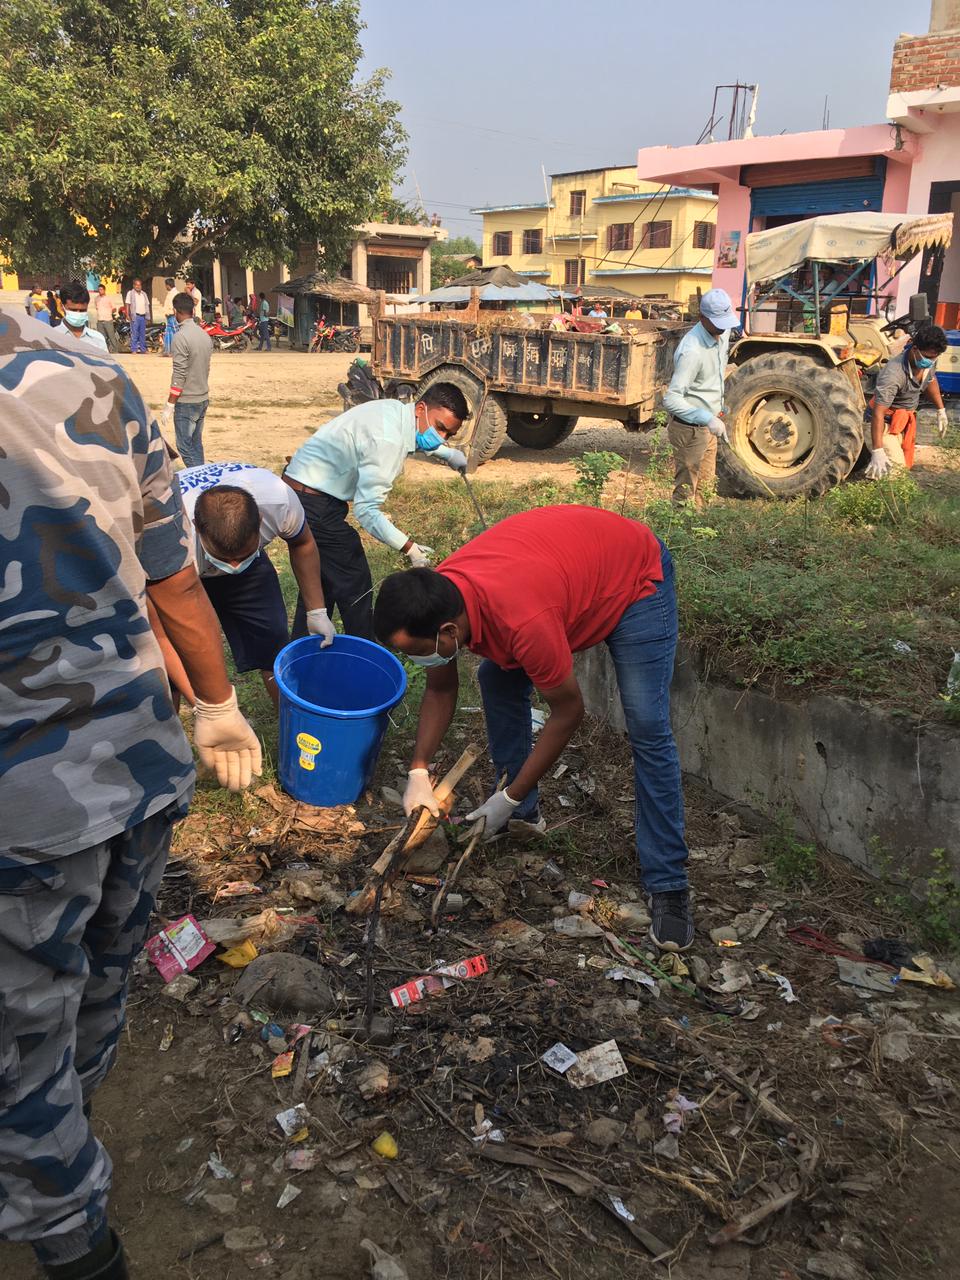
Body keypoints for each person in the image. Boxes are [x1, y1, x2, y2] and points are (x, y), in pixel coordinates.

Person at [0, 307, 260, 1280]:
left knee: (15, 1055)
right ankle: (68, 1136)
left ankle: (76, 1240)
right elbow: (174, 579)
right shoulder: (92, 367)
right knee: (95, 990)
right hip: (139, 761)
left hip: (25, 797)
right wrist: (220, 707)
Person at [373, 505, 694, 951]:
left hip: (634, 577)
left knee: (646, 725)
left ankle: (669, 884)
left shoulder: (522, 621)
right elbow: (441, 690)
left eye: (419, 652)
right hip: (567, 569)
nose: (419, 661)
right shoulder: (438, 596)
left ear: (449, 631)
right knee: (494, 677)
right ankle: (524, 819)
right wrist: (418, 772)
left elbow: (567, 712)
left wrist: (509, 795)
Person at [282, 385, 469, 640]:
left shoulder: (397, 412)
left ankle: (304, 651)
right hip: (312, 501)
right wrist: (410, 548)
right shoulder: (387, 440)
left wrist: (447, 454)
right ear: (422, 409)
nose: (441, 437)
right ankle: (367, 653)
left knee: (319, 580)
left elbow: (417, 435)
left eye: (449, 434)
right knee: (354, 583)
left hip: (304, 490)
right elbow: (367, 510)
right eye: (440, 427)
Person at [170, 462, 335, 705]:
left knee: (272, 642)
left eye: (242, 556)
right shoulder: (171, 532)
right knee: (175, 655)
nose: (234, 566)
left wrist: (317, 611)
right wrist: (211, 709)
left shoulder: (278, 501)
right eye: (224, 559)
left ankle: (290, 719)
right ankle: (173, 734)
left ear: (259, 522)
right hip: (184, 572)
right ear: (196, 526)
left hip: (252, 571)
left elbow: (303, 544)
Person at [662, 286, 738, 506]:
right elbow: (672, 399)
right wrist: (707, 418)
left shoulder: (721, 335)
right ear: (702, 317)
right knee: (686, 491)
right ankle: (679, 534)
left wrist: (716, 410)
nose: (723, 329)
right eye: (717, 322)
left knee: (705, 487)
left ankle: (701, 531)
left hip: (709, 426)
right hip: (689, 430)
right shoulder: (692, 351)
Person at [865, 321, 949, 479]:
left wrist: (941, 409)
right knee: (897, 472)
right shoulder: (893, 374)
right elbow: (878, 413)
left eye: (934, 358)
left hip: (902, 422)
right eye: (928, 357)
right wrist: (877, 449)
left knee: (887, 470)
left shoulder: (927, 359)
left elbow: (930, 379)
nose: (930, 361)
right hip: (883, 424)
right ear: (915, 348)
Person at [161, 291, 213, 468]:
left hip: (187, 400)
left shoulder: (180, 337)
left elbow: (179, 374)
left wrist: (170, 404)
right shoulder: (204, 335)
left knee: (184, 446)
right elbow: (206, 367)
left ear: (176, 311)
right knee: (196, 444)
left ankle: (199, 477)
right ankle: (202, 474)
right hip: (202, 397)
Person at [58, 280, 109, 353]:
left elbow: (105, 363)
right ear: (62, 306)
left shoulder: (98, 338)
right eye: (73, 310)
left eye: (82, 310)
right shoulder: (51, 337)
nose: (78, 313)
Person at [123, 278, 150, 353]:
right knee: (134, 333)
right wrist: (127, 314)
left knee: (142, 334)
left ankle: (143, 349)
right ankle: (134, 349)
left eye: (139, 285)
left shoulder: (144, 294)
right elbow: (127, 304)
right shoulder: (130, 293)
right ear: (134, 285)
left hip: (143, 316)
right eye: (136, 285)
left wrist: (148, 317)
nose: (138, 286)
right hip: (135, 316)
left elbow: (147, 305)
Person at [94, 284, 119, 352]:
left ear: (104, 290)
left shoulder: (109, 298)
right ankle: (103, 350)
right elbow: (97, 308)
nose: (100, 291)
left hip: (108, 320)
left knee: (111, 336)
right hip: (100, 321)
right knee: (101, 337)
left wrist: (110, 312)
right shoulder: (96, 299)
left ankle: (115, 350)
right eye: (99, 289)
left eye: (101, 289)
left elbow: (114, 308)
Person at [161, 277, 178, 356]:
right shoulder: (170, 293)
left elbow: (175, 305)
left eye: (165, 285)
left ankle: (177, 351)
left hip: (173, 316)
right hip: (169, 316)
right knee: (168, 333)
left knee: (175, 333)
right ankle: (168, 351)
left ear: (168, 285)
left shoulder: (175, 293)